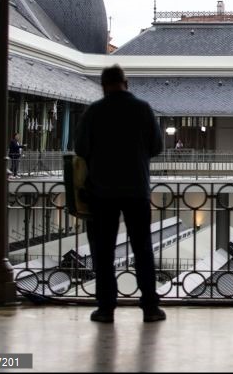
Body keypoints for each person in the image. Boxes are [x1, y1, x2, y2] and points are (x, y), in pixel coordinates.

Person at [75, 65, 165, 323]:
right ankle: (149, 306)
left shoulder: (93, 112)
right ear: (126, 82)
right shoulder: (143, 109)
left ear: (103, 85)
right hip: (136, 188)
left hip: (101, 191)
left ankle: (106, 307)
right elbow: (157, 147)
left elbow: (81, 148)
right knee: (142, 247)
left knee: (103, 251)